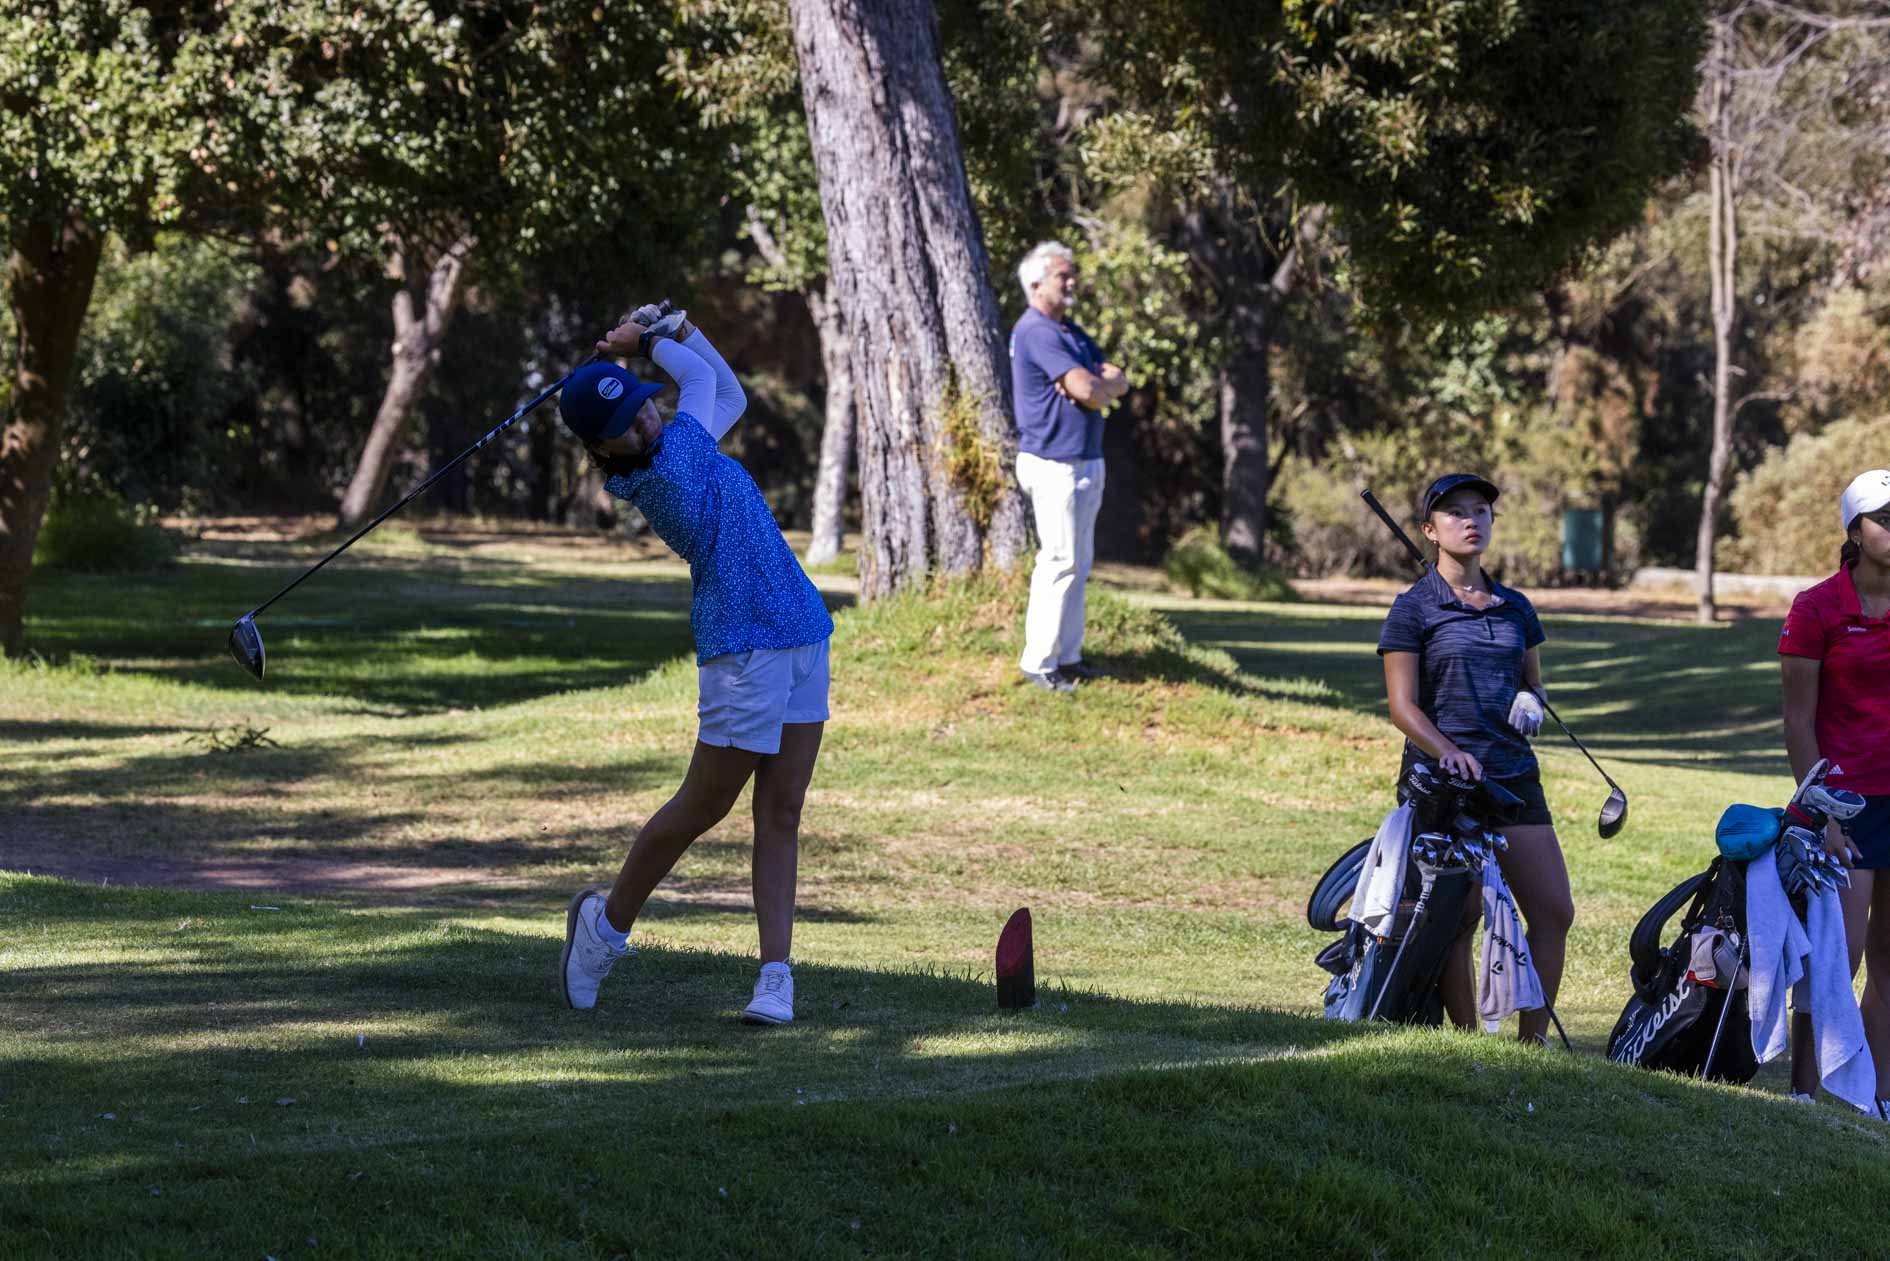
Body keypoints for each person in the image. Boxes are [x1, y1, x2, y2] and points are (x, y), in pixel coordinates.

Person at [555, 303, 835, 1025]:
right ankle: (604, 930)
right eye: (627, 425)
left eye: (644, 408)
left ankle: (775, 976)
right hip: (744, 647)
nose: (646, 422)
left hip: (803, 631)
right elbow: (705, 384)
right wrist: (649, 339)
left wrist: (675, 328)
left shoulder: (678, 443)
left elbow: (726, 392)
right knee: (703, 806)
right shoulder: (667, 471)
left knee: (783, 810)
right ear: (603, 448)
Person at [1376, 473, 1574, 1044]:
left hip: (1513, 778)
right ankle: (1468, 1043)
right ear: (1429, 530)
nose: (1471, 520)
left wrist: (1531, 700)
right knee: (1458, 920)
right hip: (1446, 785)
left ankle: (1533, 1045)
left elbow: (1532, 684)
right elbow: (1402, 707)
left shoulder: (1516, 607)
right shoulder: (1414, 608)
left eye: (1481, 511)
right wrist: (1448, 752)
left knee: (1554, 912)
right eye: (1456, 512)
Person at [1781, 469, 1890, 1115]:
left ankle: (1877, 1097)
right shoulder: (1817, 606)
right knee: (1836, 955)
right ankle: (1805, 1090)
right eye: (1886, 519)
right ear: (1854, 530)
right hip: (1843, 805)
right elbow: (1798, 721)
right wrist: (1819, 811)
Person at [1008, 241, 1129, 693]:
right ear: (1037, 284)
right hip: (1053, 463)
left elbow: (1116, 381)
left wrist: (1097, 385)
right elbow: (1091, 391)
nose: (1072, 281)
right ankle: (1039, 663)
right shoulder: (1037, 331)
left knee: (1078, 564)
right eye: (1063, 275)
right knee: (1058, 562)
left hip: (1085, 460)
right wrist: (1094, 386)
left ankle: (1069, 657)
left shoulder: (1069, 331)